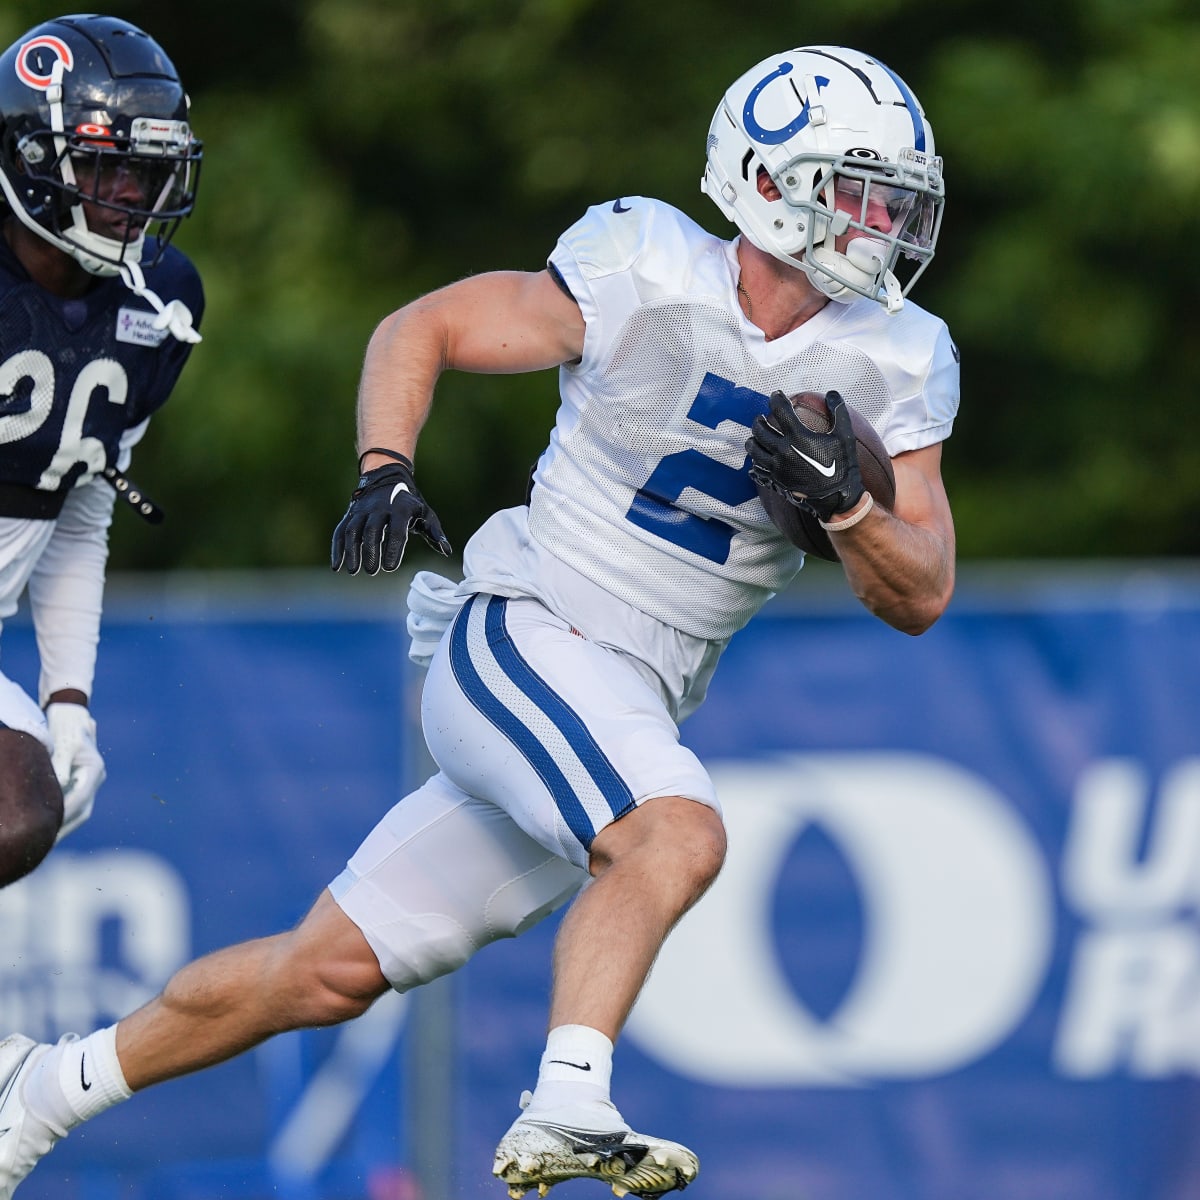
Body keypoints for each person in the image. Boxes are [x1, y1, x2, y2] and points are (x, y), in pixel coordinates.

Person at [0, 44, 957, 1199]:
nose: (884, 218)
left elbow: (921, 587)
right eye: (856, 188)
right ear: (767, 182)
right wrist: (383, 468)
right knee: (675, 832)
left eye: (895, 194)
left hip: (631, 696)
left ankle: (44, 1092)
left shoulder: (899, 354)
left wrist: (851, 506)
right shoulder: (646, 265)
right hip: (531, 631)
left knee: (322, 974)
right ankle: (568, 1100)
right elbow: (426, 326)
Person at [0, 14, 203, 886]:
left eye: (147, 169)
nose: (131, 193)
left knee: (19, 812)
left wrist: (68, 699)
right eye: (105, 164)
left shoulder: (159, 301)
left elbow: (78, 511)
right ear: (35, 162)